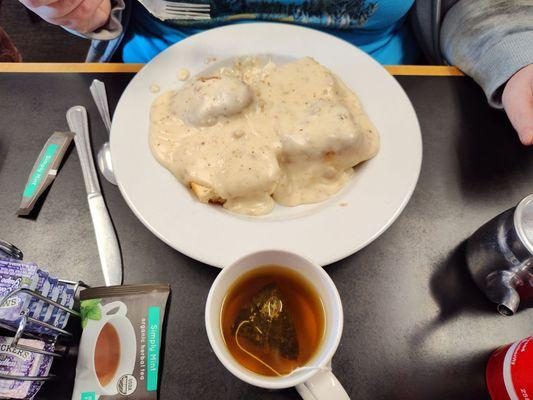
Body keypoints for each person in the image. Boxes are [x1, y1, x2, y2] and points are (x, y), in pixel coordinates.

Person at [19, 0, 532, 145]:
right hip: (159, 73)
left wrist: (516, 54)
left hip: (388, 85)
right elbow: (97, 10)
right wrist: (88, 11)